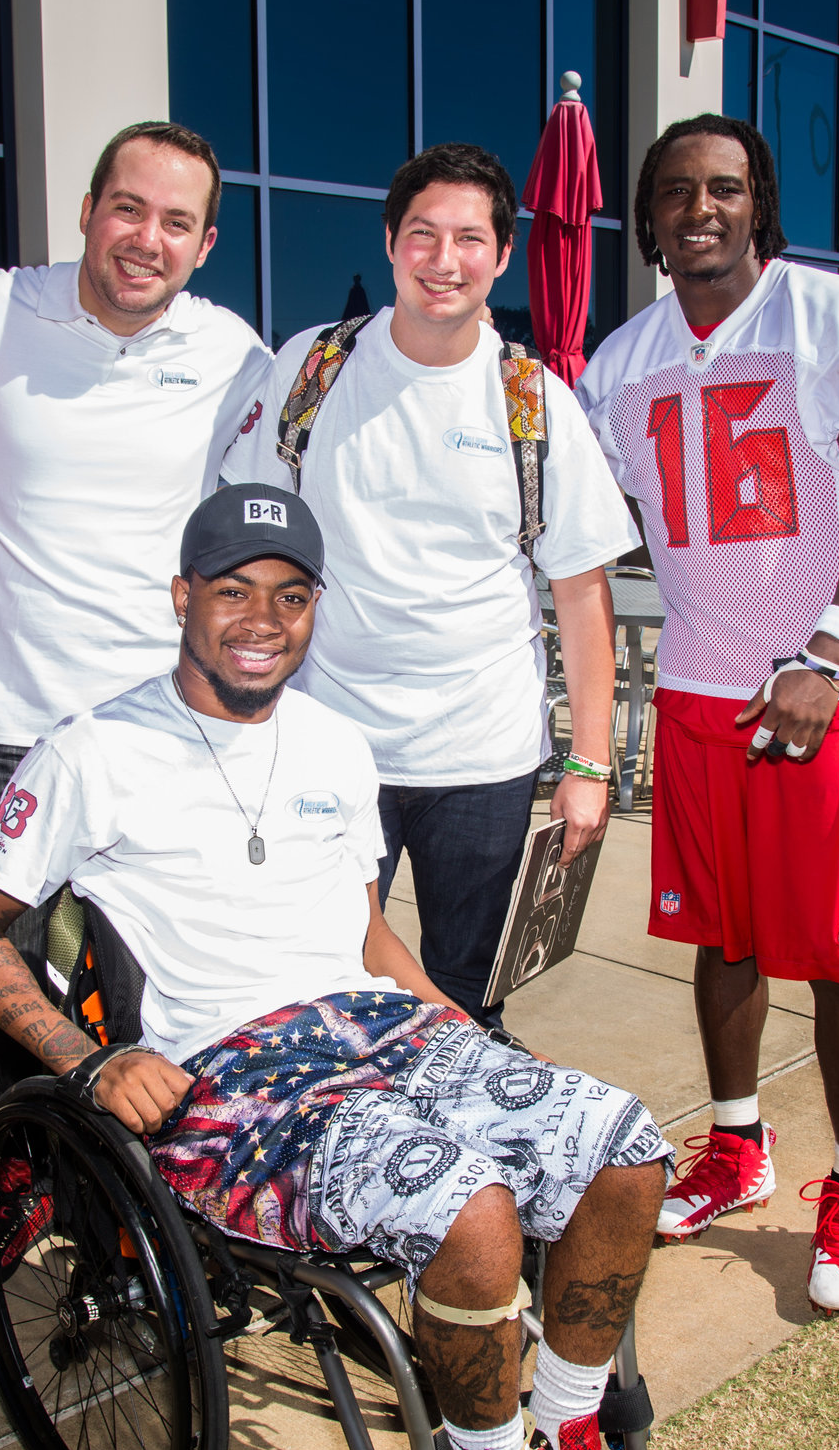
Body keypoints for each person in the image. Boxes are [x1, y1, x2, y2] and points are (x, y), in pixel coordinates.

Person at [0, 485, 712, 1450]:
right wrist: (88, 1058)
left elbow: (365, 929)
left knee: (625, 1150)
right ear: (182, 597)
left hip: (380, 1027)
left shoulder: (341, 744)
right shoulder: (91, 752)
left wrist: (457, 1027)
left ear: (315, 609)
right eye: (234, 591)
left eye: (289, 595)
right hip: (231, 1074)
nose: (261, 617)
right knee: (473, 1218)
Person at [575, 115, 839, 1314]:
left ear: (756, 201)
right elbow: (591, 526)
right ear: (648, 217)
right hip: (694, 689)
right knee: (719, 936)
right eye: (675, 192)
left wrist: (826, 650)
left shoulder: (829, 315)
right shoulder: (617, 362)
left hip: (824, 693)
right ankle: (738, 1145)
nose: (699, 209)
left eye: (723, 188)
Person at [217, 142, 635, 1030]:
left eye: (470, 239)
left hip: (482, 755)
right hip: (327, 739)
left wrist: (589, 763)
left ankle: (463, 1155)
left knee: (469, 996)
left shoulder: (534, 399)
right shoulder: (312, 367)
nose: (445, 261)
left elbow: (580, 591)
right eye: (423, 234)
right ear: (390, 241)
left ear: (504, 253)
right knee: (320, 976)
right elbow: (250, 535)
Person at [0, 121, 270, 1120]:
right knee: (3, 978)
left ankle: (140, 1187)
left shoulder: (230, 353)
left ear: (203, 246)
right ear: (85, 211)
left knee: (149, 975)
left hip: (159, 725)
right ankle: (15, 1178)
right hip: (8, 722)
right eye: (127, 207)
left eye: (175, 221)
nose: (144, 237)